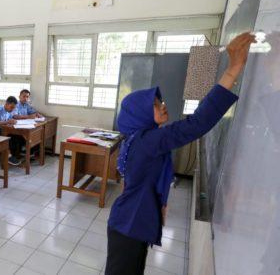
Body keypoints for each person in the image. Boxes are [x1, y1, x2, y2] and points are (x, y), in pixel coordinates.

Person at [106, 32, 255, 275]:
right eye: (155, 104)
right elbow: (197, 124)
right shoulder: (149, 141)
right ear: (139, 112)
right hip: (129, 226)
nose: (162, 105)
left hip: (128, 221)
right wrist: (233, 70)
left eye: (160, 101)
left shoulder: (138, 138)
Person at [0, 96, 23, 166]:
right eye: (11, 107)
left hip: (2, 130)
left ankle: (13, 156)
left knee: (16, 137)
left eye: (14, 108)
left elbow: (8, 121)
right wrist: (7, 122)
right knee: (6, 138)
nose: (12, 109)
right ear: (6, 104)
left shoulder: (9, 111)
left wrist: (12, 122)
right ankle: (8, 156)